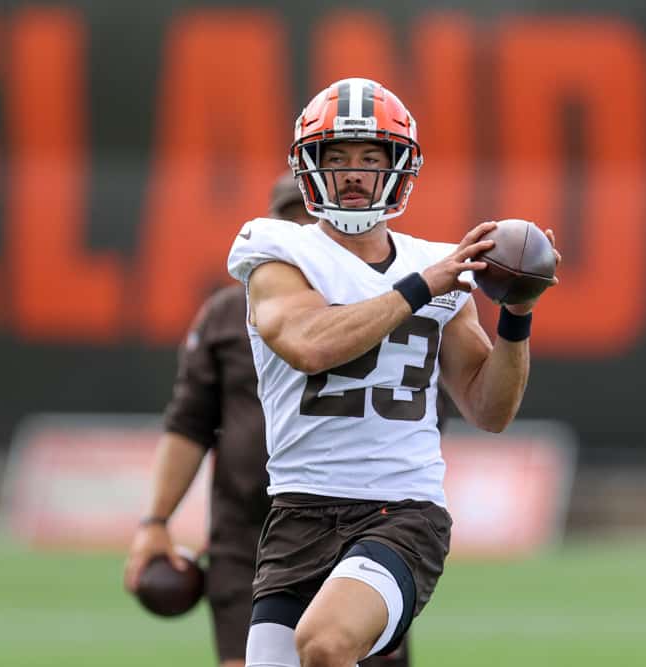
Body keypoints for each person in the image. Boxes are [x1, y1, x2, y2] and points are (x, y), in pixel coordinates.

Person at [227, 78, 560, 667]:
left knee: (326, 644)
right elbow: (309, 344)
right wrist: (421, 288)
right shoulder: (277, 251)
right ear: (310, 167)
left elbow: (489, 408)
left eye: (370, 158)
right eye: (338, 158)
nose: (354, 173)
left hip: (400, 512)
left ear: (399, 168)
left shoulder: (434, 264)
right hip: (297, 512)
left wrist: (517, 315)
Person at [123, 173, 413, 667]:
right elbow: (189, 425)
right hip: (250, 538)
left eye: (311, 219)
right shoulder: (225, 315)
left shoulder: (383, 303)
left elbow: (420, 414)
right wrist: (156, 521)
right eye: (291, 220)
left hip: (361, 523)